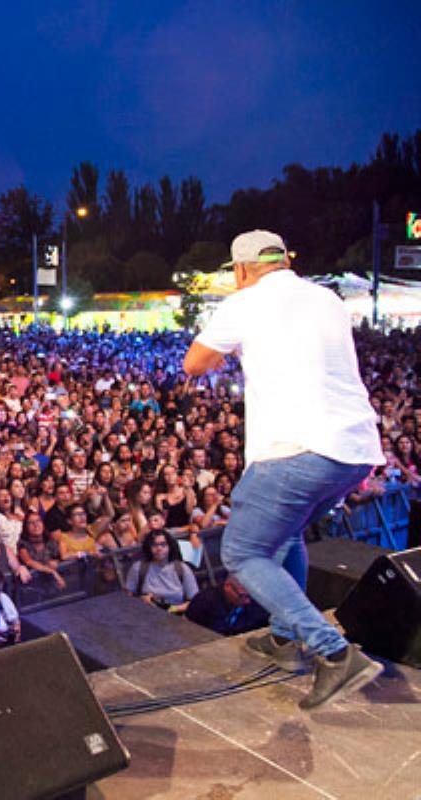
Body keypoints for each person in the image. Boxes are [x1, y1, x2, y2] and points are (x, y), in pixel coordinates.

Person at [184, 229, 385, 709]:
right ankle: (283, 636)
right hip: (354, 450)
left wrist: (228, 349)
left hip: (295, 450)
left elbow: (194, 364)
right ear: (285, 261)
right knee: (287, 535)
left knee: (242, 552)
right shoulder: (327, 298)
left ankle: (333, 653)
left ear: (241, 269)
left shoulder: (244, 301)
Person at [124, 531, 198, 613]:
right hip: (146, 614)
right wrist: (141, 600)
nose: (159, 548)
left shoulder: (182, 569)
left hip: (176, 614)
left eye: (163, 544)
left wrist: (173, 609)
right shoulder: (138, 568)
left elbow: (195, 601)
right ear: (148, 547)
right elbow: (127, 599)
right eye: (154, 545)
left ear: (170, 546)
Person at [186, 574, 270, 637]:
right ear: (228, 586)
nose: (247, 601)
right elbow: (189, 632)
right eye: (242, 596)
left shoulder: (255, 601)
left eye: (249, 596)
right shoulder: (203, 603)